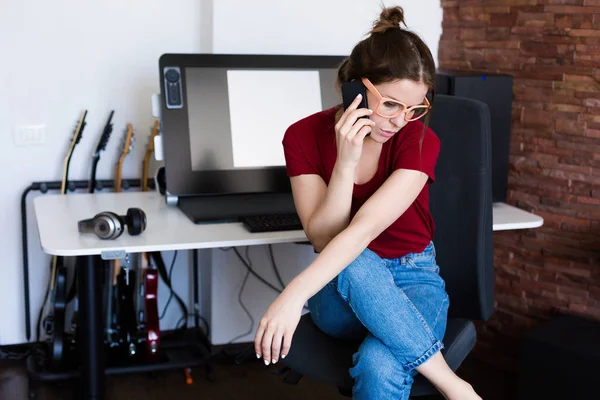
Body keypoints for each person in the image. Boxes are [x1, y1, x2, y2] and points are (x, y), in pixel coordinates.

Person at [253, 6, 482, 400]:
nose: (399, 121)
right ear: (354, 89)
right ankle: (456, 386)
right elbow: (325, 237)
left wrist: (291, 295)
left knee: (380, 362)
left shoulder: (418, 139)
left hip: (415, 278)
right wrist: (346, 161)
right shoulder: (303, 136)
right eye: (390, 104)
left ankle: (447, 383)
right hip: (339, 289)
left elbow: (365, 229)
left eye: (415, 109)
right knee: (353, 258)